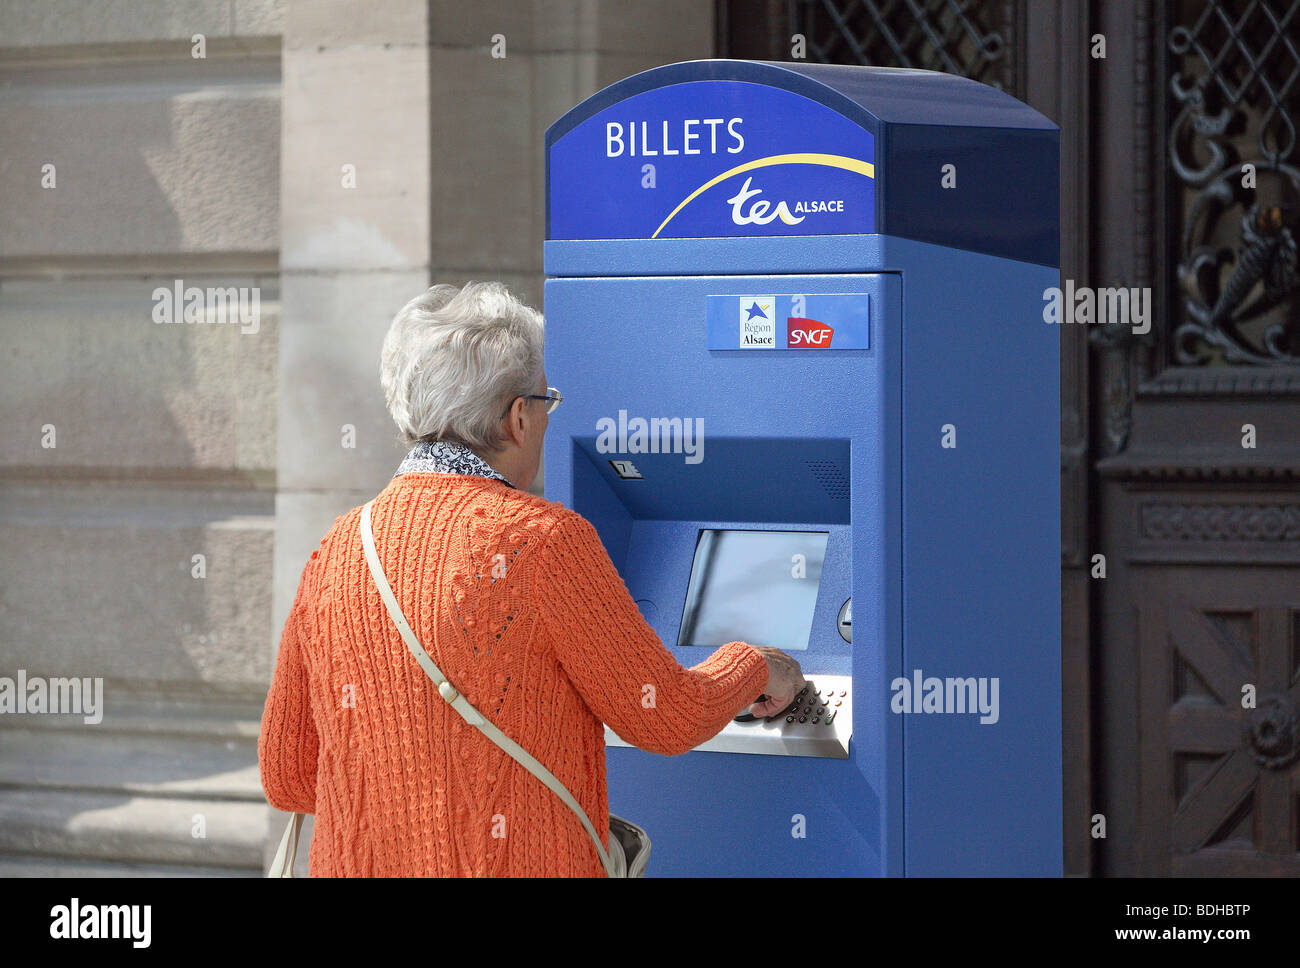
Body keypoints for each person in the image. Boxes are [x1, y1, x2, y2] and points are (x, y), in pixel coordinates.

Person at [258, 281, 804, 876]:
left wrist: (408, 804)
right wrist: (755, 663)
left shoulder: (337, 549)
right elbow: (664, 715)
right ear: (519, 416)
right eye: (547, 402)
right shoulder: (543, 541)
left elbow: (288, 772)